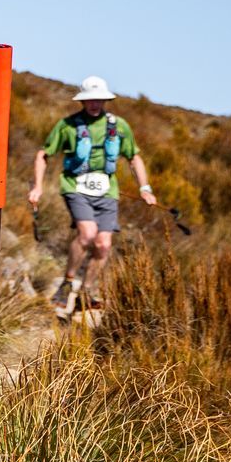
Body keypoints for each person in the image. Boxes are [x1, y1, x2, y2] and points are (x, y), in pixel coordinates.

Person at [28, 74, 157, 317]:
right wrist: (37, 187)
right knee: (87, 234)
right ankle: (67, 284)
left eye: (99, 99)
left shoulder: (119, 126)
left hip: (107, 191)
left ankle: (85, 293)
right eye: (90, 100)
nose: (95, 104)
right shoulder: (68, 125)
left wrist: (145, 188)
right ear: (82, 101)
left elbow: (134, 157)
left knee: (103, 244)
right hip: (76, 187)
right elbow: (43, 155)